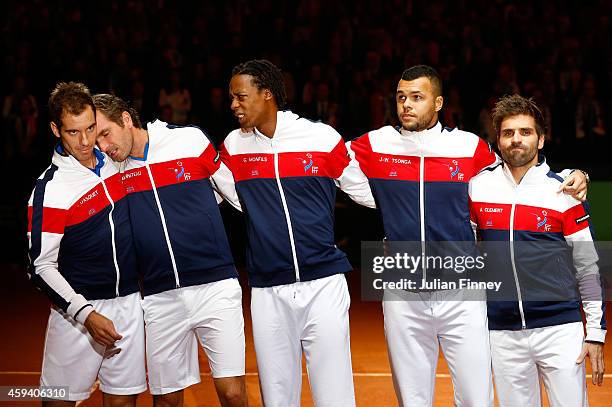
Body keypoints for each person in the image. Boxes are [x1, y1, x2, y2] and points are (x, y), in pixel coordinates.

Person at [345, 65, 589, 406]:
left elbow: (514, 173)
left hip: (463, 293)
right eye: (401, 97)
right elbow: (334, 164)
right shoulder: (375, 143)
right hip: (402, 292)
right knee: (412, 398)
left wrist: (575, 174)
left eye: (417, 97)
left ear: (439, 102)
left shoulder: (469, 147)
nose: (407, 105)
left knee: (477, 397)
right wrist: (382, 199)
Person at [221, 59, 375, 407]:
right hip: (267, 289)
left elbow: (365, 192)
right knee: (277, 397)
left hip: (323, 284)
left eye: (241, 97)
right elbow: (222, 192)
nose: (234, 105)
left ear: (267, 94)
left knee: (334, 396)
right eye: (231, 97)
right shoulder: (234, 147)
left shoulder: (321, 138)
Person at [92, 94, 246, 407]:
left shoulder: (188, 139)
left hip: (214, 286)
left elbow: (233, 192)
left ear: (125, 119)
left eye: (105, 134)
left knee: (231, 392)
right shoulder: (110, 169)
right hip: (160, 296)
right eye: (97, 142)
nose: (103, 147)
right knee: (166, 401)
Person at [469, 94, 605, 406]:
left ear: (541, 140)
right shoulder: (477, 188)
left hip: (560, 330)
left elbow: (587, 266)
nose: (516, 140)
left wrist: (595, 332)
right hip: (502, 332)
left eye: (525, 132)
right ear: (498, 141)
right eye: (507, 133)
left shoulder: (565, 191)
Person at [27, 82, 145, 406]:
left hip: (129, 305)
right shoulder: (49, 190)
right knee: (57, 402)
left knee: (123, 402)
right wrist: (86, 315)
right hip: (77, 316)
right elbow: (40, 267)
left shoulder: (115, 161)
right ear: (55, 129)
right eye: (73, 132)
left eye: (91, 128)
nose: (85, 141)